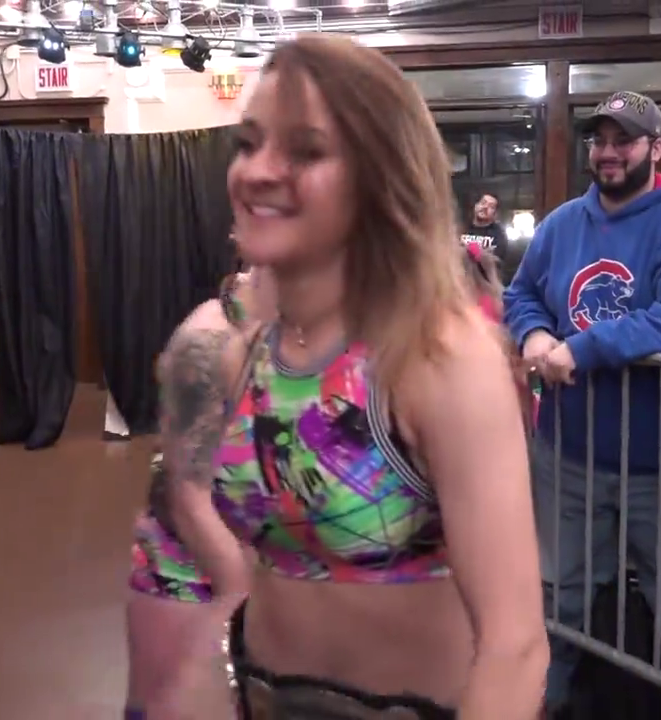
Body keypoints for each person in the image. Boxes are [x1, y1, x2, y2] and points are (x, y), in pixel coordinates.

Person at [158, 35, 546, 719]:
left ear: (379, 178)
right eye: (248, 143)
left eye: (305, 151)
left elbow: (514, 645)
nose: (257, 171)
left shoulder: (438, 359)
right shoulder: (242, 354)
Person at [503, 90, 661, 715]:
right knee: (559, 589)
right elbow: (522, 294)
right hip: (569, 452)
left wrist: (583, 348)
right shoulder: (562, 223)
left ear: (656, 148)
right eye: (599, 140)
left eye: (624, 140)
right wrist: (535, 334)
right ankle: (546, 700)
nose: (608, 152)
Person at [124, 268, 273, 719]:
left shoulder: (329, 334)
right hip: (193, 571)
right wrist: (245, 614)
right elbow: (188, 496)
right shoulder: (209, 339)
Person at [461, 192, 508, 261]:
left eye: (491, 206)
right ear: (475, 206)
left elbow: (498, 260)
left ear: (494, 214)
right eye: (483, 203)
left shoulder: (499, 234)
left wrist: (479, 253)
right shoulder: (461, 227)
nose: (485, 207)